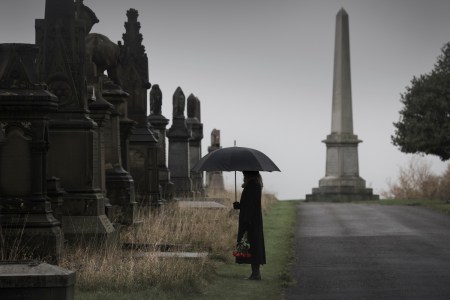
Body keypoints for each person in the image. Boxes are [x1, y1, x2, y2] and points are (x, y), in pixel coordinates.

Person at [233, 171, 266, 280]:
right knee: (253, 246)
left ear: (249, 174)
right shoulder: (253, 185)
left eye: (244, 173)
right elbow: (248, 204)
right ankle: (255, 273)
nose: (243, 175)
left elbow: (251, 205)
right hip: (252, 220)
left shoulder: (253, 185)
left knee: (254, 246)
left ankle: (256, 274)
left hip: (251, 221)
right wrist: (239, 206)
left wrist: (247, 220)